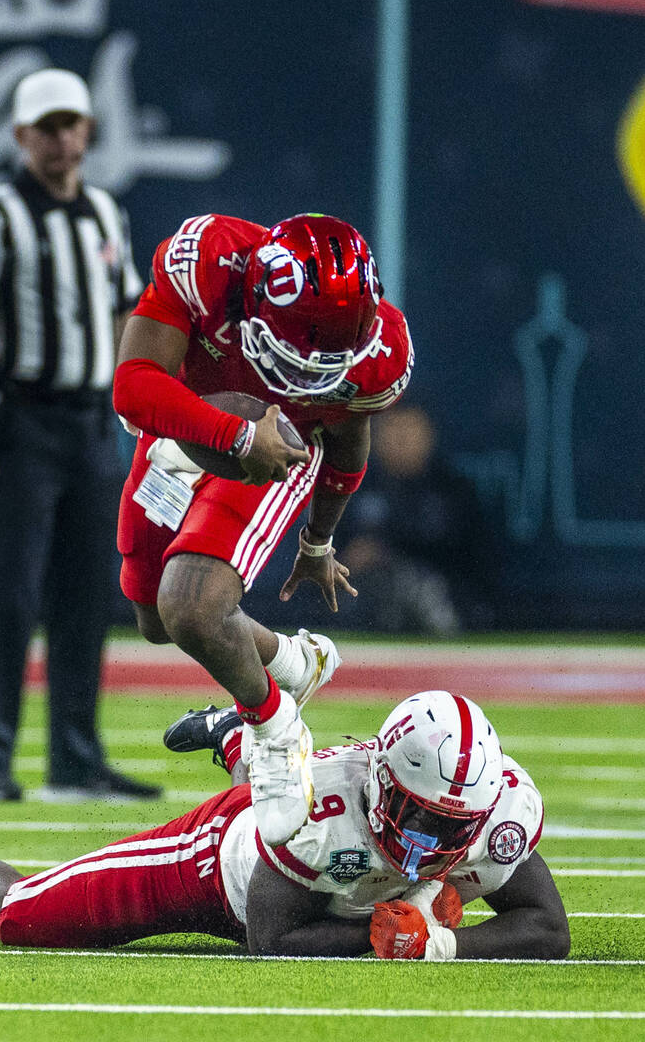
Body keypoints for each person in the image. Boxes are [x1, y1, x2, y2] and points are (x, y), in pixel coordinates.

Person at [0, 687, 570, 961]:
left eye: (446, 824)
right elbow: (271, 942)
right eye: (416, 816)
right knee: (24, 916)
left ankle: (238, 738)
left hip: (320, 876)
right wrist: (387, 935)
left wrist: (439, 942)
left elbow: (547, 927)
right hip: (225, 865)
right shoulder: (320, 810)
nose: (428, 843)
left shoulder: (495, 810)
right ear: (385, 781)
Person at [111, 212, 413, 846]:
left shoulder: (379, 349)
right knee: (155, 620)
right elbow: (134, 387)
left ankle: (274, 731)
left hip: (280, 450)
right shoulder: (209, 263)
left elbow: (348, 447)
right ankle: (292, 660)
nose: (307, 374)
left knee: (189, 607)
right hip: (196, 427)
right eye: (295, 352)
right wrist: (234, 433)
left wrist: (319, 541)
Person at [0, 68, 159, 805]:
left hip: (94, 418)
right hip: (25, 417)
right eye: (47, 127)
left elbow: (125, 313)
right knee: (7, 593)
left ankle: (74, 758)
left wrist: (145, 402)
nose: (62, 139)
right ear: (21, 136)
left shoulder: (105, 211)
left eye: (72, 124)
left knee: (85, 594)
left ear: (89, 129)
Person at [337, 403, 497, 633]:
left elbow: (467, 557)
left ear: (429, 435)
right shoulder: (353, 487)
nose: (400, 440)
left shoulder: (453, 489)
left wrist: (386, 553)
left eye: (409, 430)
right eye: (392, 429)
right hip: (366, 599)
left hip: (442, 599)